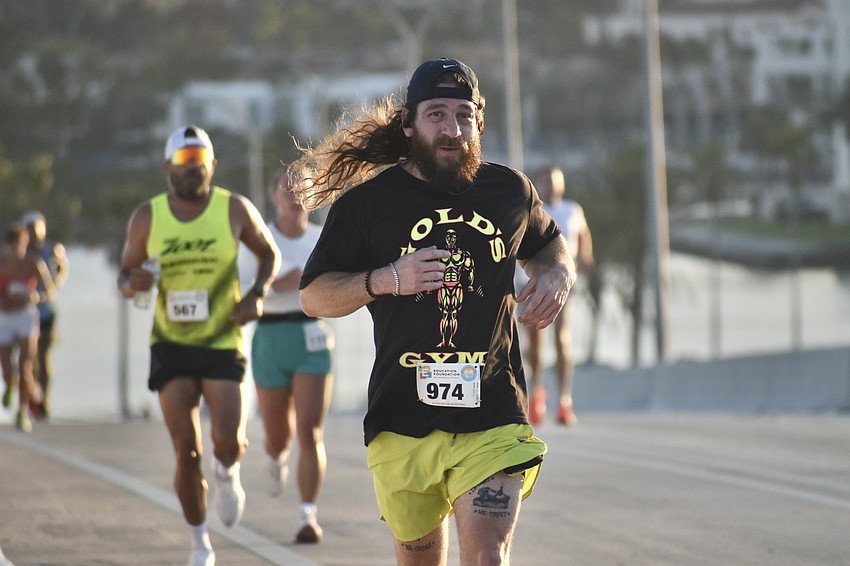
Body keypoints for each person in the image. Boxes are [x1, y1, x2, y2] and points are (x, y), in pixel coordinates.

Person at [292, 58, 575, 565]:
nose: (452, 129)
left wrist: (557, 276)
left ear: (480, 123)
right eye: (437, 114)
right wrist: (385, 280)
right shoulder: (368, 205)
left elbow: (551, 247)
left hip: (491, 412)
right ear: (409, 124)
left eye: (464, 115)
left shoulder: (508, 191)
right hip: (402, 418)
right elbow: (314, 295)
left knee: (488, 556)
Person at [117, 125, 280, 566]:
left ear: (212, 164)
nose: (193, 169)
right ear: (168, 167)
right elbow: (124, 277)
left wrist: (257, 294)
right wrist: (134, 282)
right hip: (170, 343)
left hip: (222, 338)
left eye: (200, 160)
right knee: (185, 450)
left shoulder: (234, 209)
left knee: (227, 440)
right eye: (184, 162)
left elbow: (269, 254)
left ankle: (227, 472)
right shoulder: (147, 217)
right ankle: (199, 543)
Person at [244, 169, 334, 543]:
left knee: (310, 430)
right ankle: (276, 455)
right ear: (272, 195)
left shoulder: (324, 238)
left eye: (303, 189)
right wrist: (283, 282)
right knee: (278, 435)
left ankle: (307, 516)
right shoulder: (258, 239)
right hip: (269, 335)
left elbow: (336, 285)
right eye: (286, 188)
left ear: (313, 197)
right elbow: (243, 294)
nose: (295, 195)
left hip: (312, 336)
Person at [525, 166, 595, 427]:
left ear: (562, 185)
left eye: (556, 183)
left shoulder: (572, 210)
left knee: (562, 339)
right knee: (534, 345)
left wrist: (586, 255)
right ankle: (536, 392)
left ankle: (565, 400)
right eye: (547, 182)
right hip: (531, 283)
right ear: (540, 185)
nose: (551, 187)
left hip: (563, 285)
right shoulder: (534, 210)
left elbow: (583, 234)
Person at [0, 224, 54, 433]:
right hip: (5, 317)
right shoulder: (2, 264)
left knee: (26, 365)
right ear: (6, 246)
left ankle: (22, 411)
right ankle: (10, 385)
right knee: (7, 371)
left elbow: (49, 290)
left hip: (25, 315)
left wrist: (34, 297)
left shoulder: (33, 264)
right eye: (12, 246)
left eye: (20, 245)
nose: (16, 251)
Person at [21, 211, 69, 420]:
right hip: (24, 312)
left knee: (43, 355)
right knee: (27, 359)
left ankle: (45, 398)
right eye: (29, 228)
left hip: (46, 311)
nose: (33, 232)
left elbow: (61, 271)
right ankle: (32, 396)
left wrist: (52, 288)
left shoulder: (52, 250)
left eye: (36, 227)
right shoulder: (19, 252)